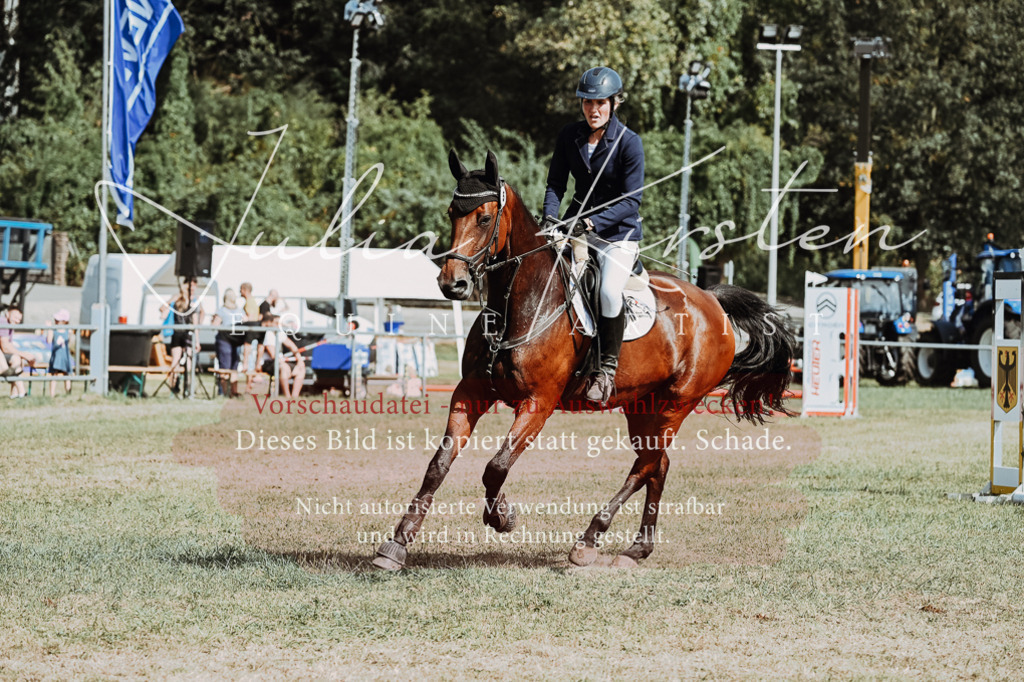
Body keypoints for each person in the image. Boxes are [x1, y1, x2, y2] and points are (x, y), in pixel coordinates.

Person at [542, 66, 645, 404]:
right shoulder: (568, 136)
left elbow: (631, 202)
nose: (593, 109)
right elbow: (556, 183)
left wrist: (589, 224)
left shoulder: (629, 143)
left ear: (614, 103)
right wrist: (550, 216)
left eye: (600, 102)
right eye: (587, 102)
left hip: (617, 234)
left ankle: (606, 370)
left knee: (608, 291)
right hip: (572, 226)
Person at [160, 278, 204, 394]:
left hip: (182, 334)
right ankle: (182, 387)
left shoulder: (187, 299)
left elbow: (162, 310)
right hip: (183, 334)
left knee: (181, 362)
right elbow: (195, 322)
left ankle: (179, 388)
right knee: (183, 362)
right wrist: (197, 341)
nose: (193, 289)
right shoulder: (185, 299)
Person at [256, 314, 305, 398]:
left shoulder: (280, 333)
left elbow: (293, 347)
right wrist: (283, 363)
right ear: (271, 323)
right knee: (284, 368)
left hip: (280, 362)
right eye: (276, 322)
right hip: (268, 363)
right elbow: (273, 355)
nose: (279, 325)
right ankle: (287, 396)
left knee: (301, 368)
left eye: (280, 323)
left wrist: (300, 360)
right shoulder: (269, 334)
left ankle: (294, 397)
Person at [211, 288, 245, 395]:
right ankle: (233, 392)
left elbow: (214, 326)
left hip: (224, 341)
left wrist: (213, 320)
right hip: (237, 341)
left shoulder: (221, 311)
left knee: (224, 367)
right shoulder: (240, 311)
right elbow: (246, 323)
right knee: (234, 367)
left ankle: (224, 392)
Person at [0, 306, 32, 398]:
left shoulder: (10, 325)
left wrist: (22, 355)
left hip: (2, 356)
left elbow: (8, 345)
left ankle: (16, 394)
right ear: (8, 314)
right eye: (15, 317)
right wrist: (24, 355)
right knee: (17, 359)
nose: (17, 321)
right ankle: (6, 372)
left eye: (19, 319)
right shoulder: (3, 322)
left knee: (17, 360)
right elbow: (5, 346)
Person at [46, 308, 74, 397]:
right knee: (54, 375)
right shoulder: (54, 330)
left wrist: (71, 334)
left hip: (65, 356)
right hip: (56, 356)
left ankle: (68, 393)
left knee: (67, 375)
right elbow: (49, 340)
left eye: (58, 320)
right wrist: (49, 329)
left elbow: (71, 343)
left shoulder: (68, 331)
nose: (56, 321)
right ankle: (52, 394)